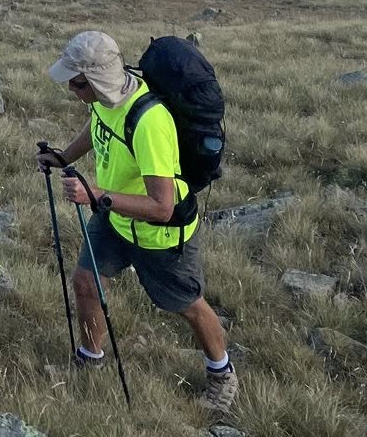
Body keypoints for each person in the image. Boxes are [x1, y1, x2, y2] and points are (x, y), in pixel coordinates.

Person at [38, 31, 236, 416]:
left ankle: (222, 373)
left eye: (76, 83)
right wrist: (64, 158)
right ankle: (90, 360)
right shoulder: (106, 99)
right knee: (86, 282)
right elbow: (99, 131)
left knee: (187, 305)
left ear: (96, 79)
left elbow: (162, 207)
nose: (71, 90)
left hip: (159, 232)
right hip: (115, 216)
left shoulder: (150, 123)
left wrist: (96, 196)